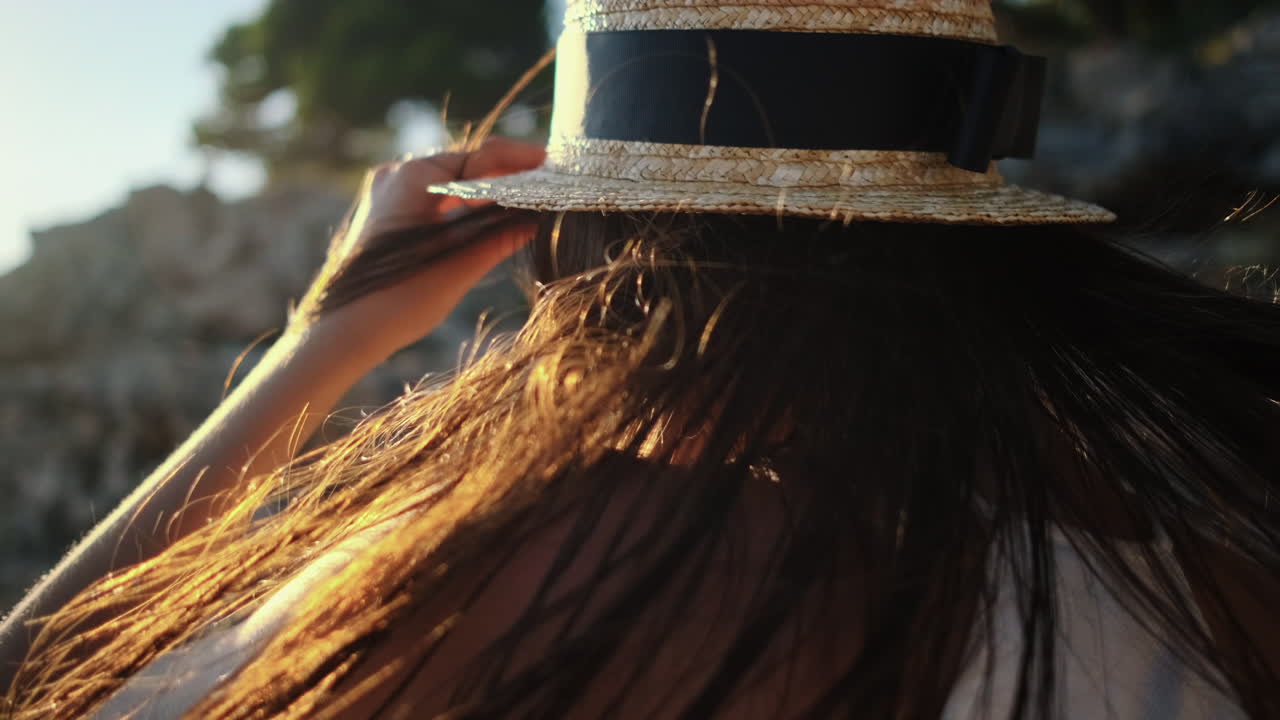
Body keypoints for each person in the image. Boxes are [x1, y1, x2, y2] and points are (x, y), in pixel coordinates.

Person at [4, 0, 1280, 717]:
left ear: (577, 253)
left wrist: (318, 344)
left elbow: (40, 680)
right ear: (969, 249)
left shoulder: (519, 581)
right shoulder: (1211, 589)